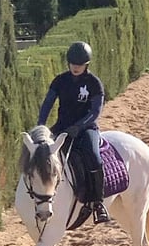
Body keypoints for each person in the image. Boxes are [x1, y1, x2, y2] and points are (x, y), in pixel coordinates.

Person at [37, 41, 110, 224]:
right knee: (40, 156)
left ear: (87, 64)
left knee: (94, 157)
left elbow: (95, 112)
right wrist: (41, 126)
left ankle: (98, 202)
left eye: (80, 64)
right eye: (73, 64)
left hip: (85, 129)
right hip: (62, 128)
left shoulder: (94, 84)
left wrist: (79, 126)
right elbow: (48, 104)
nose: (76, 67)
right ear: (68, 63)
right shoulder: (60, 81)